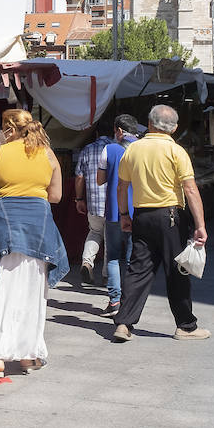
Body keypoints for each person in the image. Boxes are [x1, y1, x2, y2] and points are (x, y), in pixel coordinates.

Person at [0, 108, 67, 379]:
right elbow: (55, 196)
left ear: (8, 129)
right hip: (38, 229)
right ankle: (28, 355)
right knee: (32, 293)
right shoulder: (48, 155)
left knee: (0, 292)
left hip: (4, 228)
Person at [112, 104, 211, 342]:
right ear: (175, 128)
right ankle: (186, 326)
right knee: (177, 270)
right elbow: (190, 189)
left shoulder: (133, 149)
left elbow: (122, 186)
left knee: (138, 269)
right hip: (169, 217)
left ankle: (124, 323)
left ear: (148, 123)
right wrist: (200, 224)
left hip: (141, 215)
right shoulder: (176, 151)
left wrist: (124, 215)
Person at [96, 114, 139, 318]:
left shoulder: (109, 149)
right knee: (133, 259)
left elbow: (99, 180)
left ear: (119, 131)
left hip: (114, 210)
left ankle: (114, 301)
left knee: (113, 257)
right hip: (138, 210)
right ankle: (130, 302)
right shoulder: (144, 148)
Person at [73, 123, 113, 286]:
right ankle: (106, 275)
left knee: (95, 232)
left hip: (94, 204)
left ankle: (87, 262)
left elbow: (79, 177)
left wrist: (79, 198)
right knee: (110, 239)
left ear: (96, 133)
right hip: (113, 204)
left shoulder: (87, 149)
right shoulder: (116, 148)